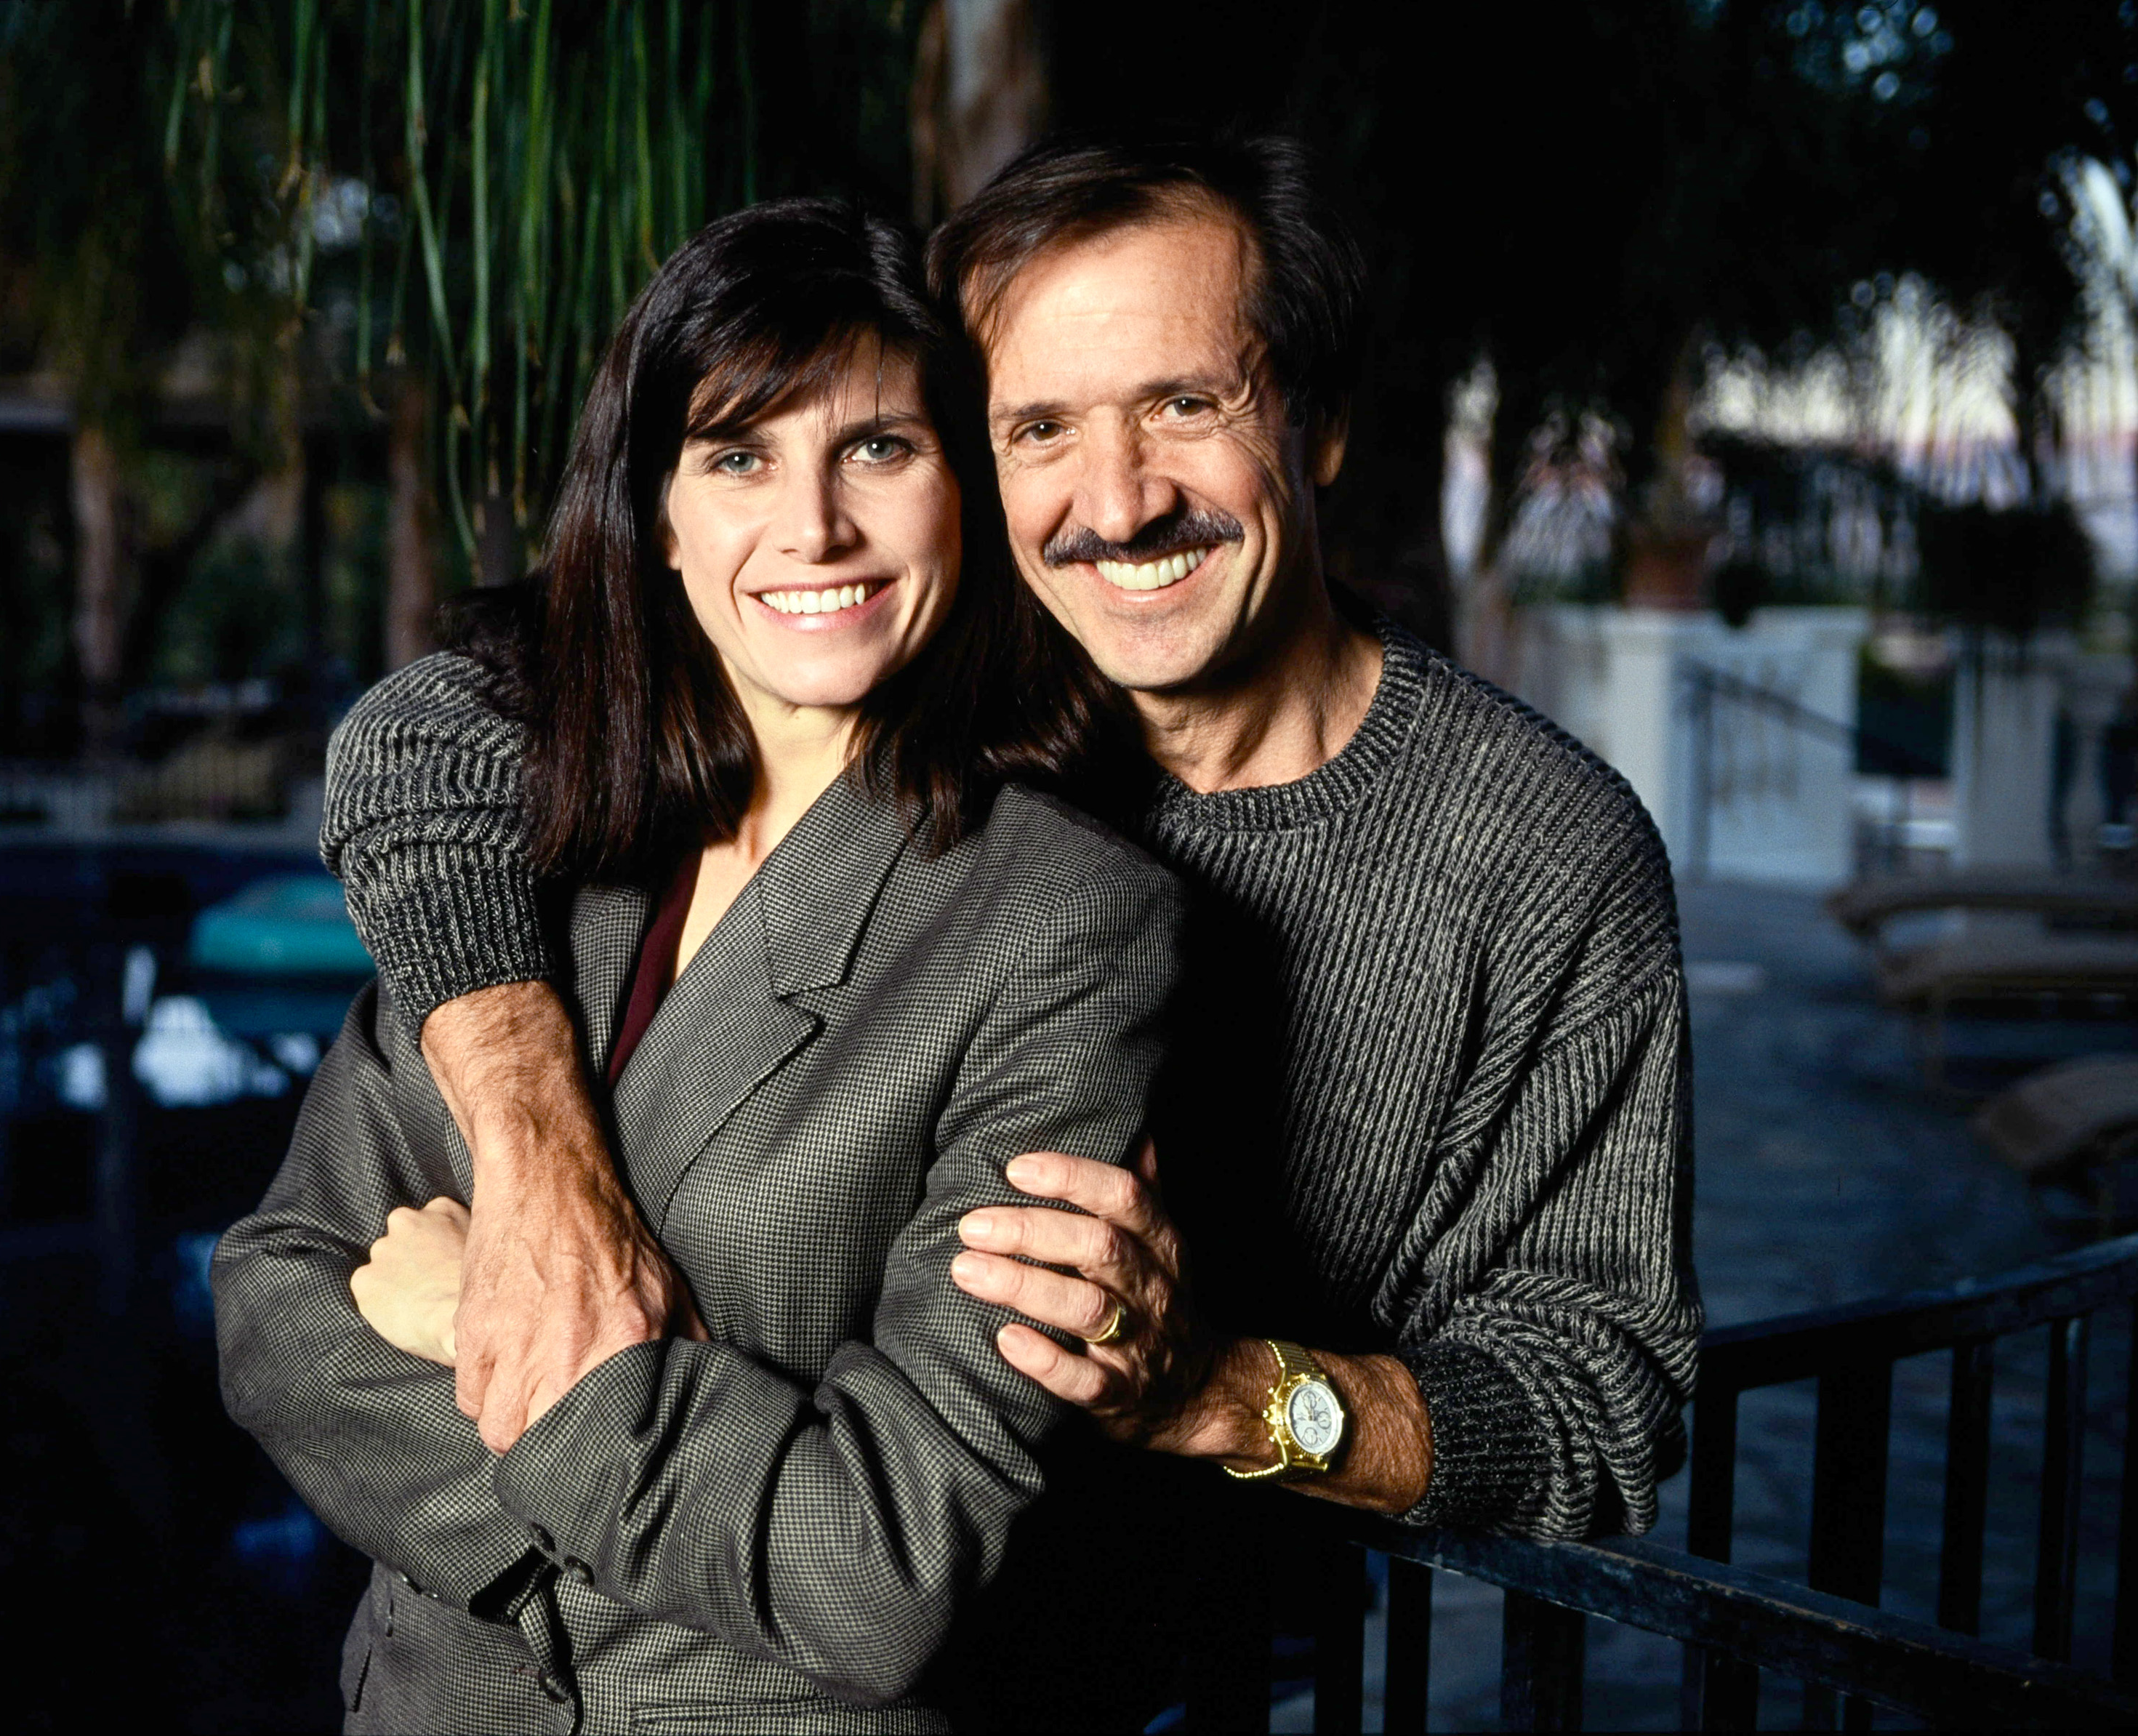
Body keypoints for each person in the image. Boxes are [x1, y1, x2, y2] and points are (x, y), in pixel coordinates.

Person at [320, 131, 1700, 1584]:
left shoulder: (1546, 850)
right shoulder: (906, 682)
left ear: (1323, 426)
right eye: (1038, 429)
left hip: (1172, 1665)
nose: (1116, 504)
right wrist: (543, 1169)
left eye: (1185, 404)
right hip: (748, 1586)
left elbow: (1595, 1410)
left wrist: (1220, 1391)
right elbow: (436, 730)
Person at [213, 197, 1180, 1735]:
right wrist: (673, 1494)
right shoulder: (524, 838)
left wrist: (495, 1329)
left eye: (878, 448)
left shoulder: (1060, 922)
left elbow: (881, 1570)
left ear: (966, 492)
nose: (813, 529)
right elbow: (275, 1301)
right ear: (660, 517)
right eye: (740, 456)